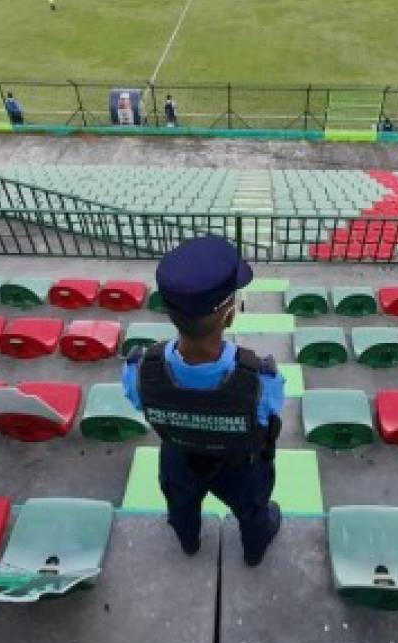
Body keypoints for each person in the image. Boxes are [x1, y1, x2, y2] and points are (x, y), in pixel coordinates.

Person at [122, 237, 284, 567]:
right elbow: (269, 415)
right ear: (229, 316)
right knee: (254, 513)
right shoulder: (261, 379)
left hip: (180, 457)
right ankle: (254, 551)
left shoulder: (139, 370)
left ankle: (189, 542)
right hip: (241, 466)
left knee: (181, 507)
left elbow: (139, 403)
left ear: (170, 313)